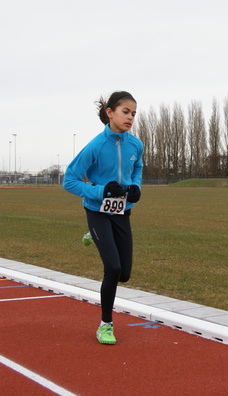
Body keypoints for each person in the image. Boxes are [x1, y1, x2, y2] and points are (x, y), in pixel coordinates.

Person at [62, 91, 143, 345]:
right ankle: (105, 325)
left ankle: (93, 237)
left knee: (125, 273)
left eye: (133, 113)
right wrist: (100, 191)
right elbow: (70, 180)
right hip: (97, 212)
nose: (130, 117)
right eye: (125, 112)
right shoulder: (96, 145)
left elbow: (138, 166)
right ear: (110, 113)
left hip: (122, 213)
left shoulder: (136, 145)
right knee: (113, 268)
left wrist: (136, 187)